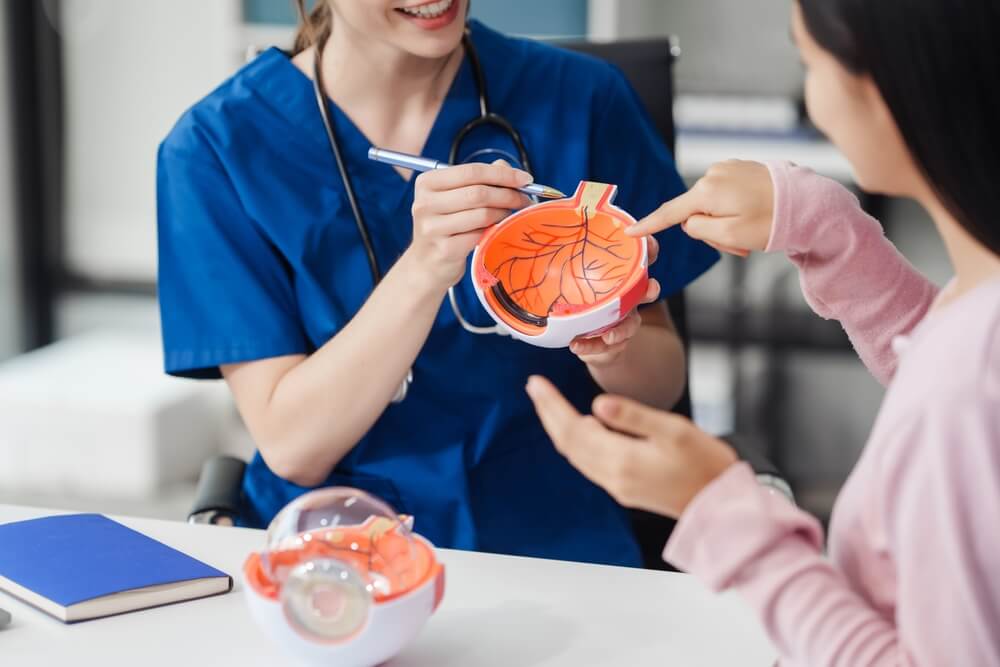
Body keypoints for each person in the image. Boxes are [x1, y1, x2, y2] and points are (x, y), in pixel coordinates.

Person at [156, 0, 717, 567]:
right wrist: (424, 268)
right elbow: (294, 447)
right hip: (340, 545)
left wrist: (611, 350)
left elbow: (659, 386)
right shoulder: (217, 148)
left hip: (553, 535)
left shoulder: (582, 98)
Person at [527, 0, 1000, 662]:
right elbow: (945, 364)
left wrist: (723, 514)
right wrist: (825, 228)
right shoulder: (976, 322)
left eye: (807, 63)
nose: (811, 96)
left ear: (888, 87)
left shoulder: (961, 390)